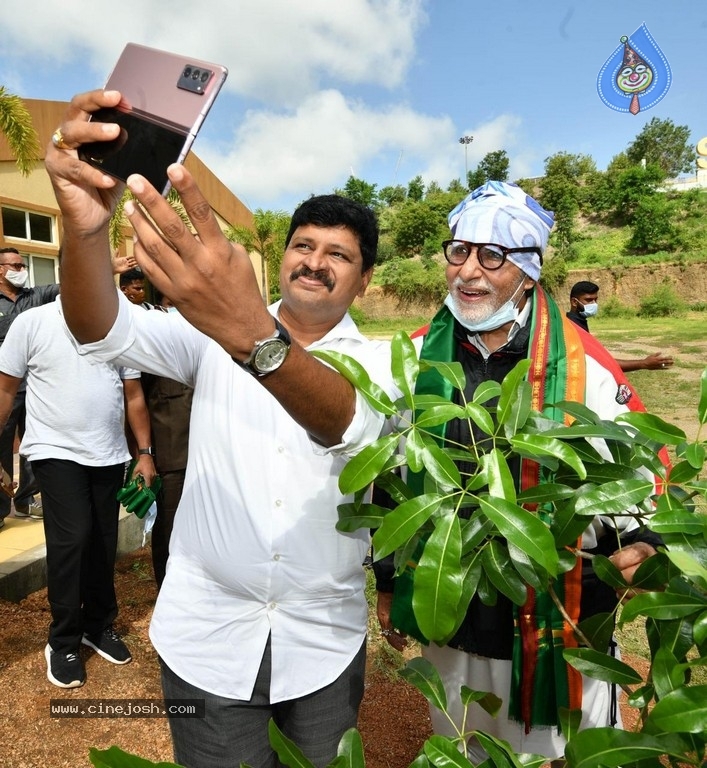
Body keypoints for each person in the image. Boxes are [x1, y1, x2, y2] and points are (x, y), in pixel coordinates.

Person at [44, 88, 392, 768]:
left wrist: (254, 337)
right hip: (207, 635)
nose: (314, 262)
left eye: (338, 254)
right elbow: (97, 326)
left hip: (321, 642)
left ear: (366, 279)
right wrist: (83, 231)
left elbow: (350, 428)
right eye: (302, 245)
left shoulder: (386, 364)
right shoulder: (204, 338)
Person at [374, 182, 662, 764]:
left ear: (528, 271)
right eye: (459, 252)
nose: (469, 272)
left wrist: (645, 539)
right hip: (452, 598)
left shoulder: (585, 364)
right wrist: (386, 582)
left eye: (492, 256)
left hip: (556, 595)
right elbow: (391, 475)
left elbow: (636, 466)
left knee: (556, 747)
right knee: (466, 739)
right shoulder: (414, 356)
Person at [0, 297, 156, 688]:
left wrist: (144, 452)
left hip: (108, 454)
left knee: (103, 541)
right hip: (55, 451)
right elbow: (5, 391)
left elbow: (133, 393)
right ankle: (64, 638)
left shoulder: (117, 324)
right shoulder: (31, 323)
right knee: (72, 539)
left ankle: (99, 625)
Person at [122, 278, 193, 589]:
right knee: (171, 524)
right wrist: (143, 453)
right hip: (171, 446)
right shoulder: (147, 323)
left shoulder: (207, 320)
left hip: (209, 443)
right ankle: (171, 592)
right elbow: (133, 393)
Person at [0, 246, 60, 527]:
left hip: (35, 387)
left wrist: (110, 266)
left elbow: (69, 283)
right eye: (15, 265)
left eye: (22, 266)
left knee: (34, 444)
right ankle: (1, 509)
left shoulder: (35, 297)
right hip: (5, 389)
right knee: (2, 445)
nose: (21, 271)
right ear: (1, 269)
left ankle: (25, 500)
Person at [567, 280, 674, 372]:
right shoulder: (571, 327)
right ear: (574, 302)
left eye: (595, 300)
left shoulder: (579, 321)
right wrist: (643, 363)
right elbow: (595, 363)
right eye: (589, 300)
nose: (594, 304)